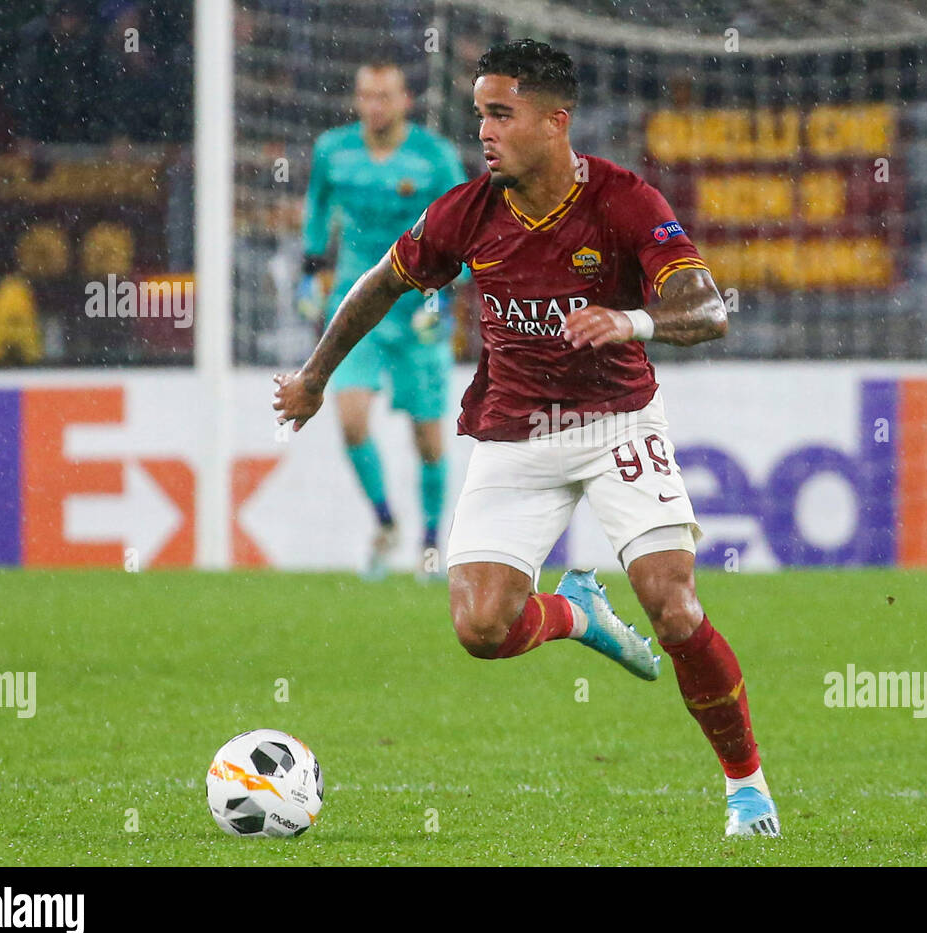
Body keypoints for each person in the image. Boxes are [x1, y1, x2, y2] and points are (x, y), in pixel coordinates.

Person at [275, 39, 779, 837]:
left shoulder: (624, 200)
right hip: (515, 435)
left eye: (500, 114)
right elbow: (379, 283)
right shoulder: (467, 211)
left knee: (674, 608)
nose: (484, 130)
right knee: (480, 628)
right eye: (480, 113)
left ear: (554, 121)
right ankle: (578, 614)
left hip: (617, 426)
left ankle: (747, 787)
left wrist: (633, 318)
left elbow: (709, 309)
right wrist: (314, 377)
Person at [301, 58, 465, 578]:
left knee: (428, 438)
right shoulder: (332, 150)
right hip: (354, 301)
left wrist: (446, 297)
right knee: (350, 420)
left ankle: (433, 544)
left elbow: (462, 228)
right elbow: (317, 205)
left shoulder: (434, 158)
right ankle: (385, 523)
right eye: (366, 95)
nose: (374, 106)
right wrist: (310, 269)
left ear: (405, 102)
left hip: (417, 303)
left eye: (384, 96)